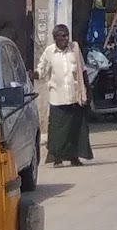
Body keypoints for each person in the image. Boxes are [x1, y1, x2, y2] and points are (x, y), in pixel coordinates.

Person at [36, 24, 93, 167]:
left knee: (75, 130)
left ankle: (74, 158)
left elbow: (82, 70)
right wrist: (35, 74)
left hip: (75, 96)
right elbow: (41, 69)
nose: (65, 38)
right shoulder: (49, 52)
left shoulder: (74, 49)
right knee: (58, 132)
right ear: (55, 38)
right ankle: (57, 158)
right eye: (62, 36)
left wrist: (87, 91)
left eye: (67, 35)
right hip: (58, 97)